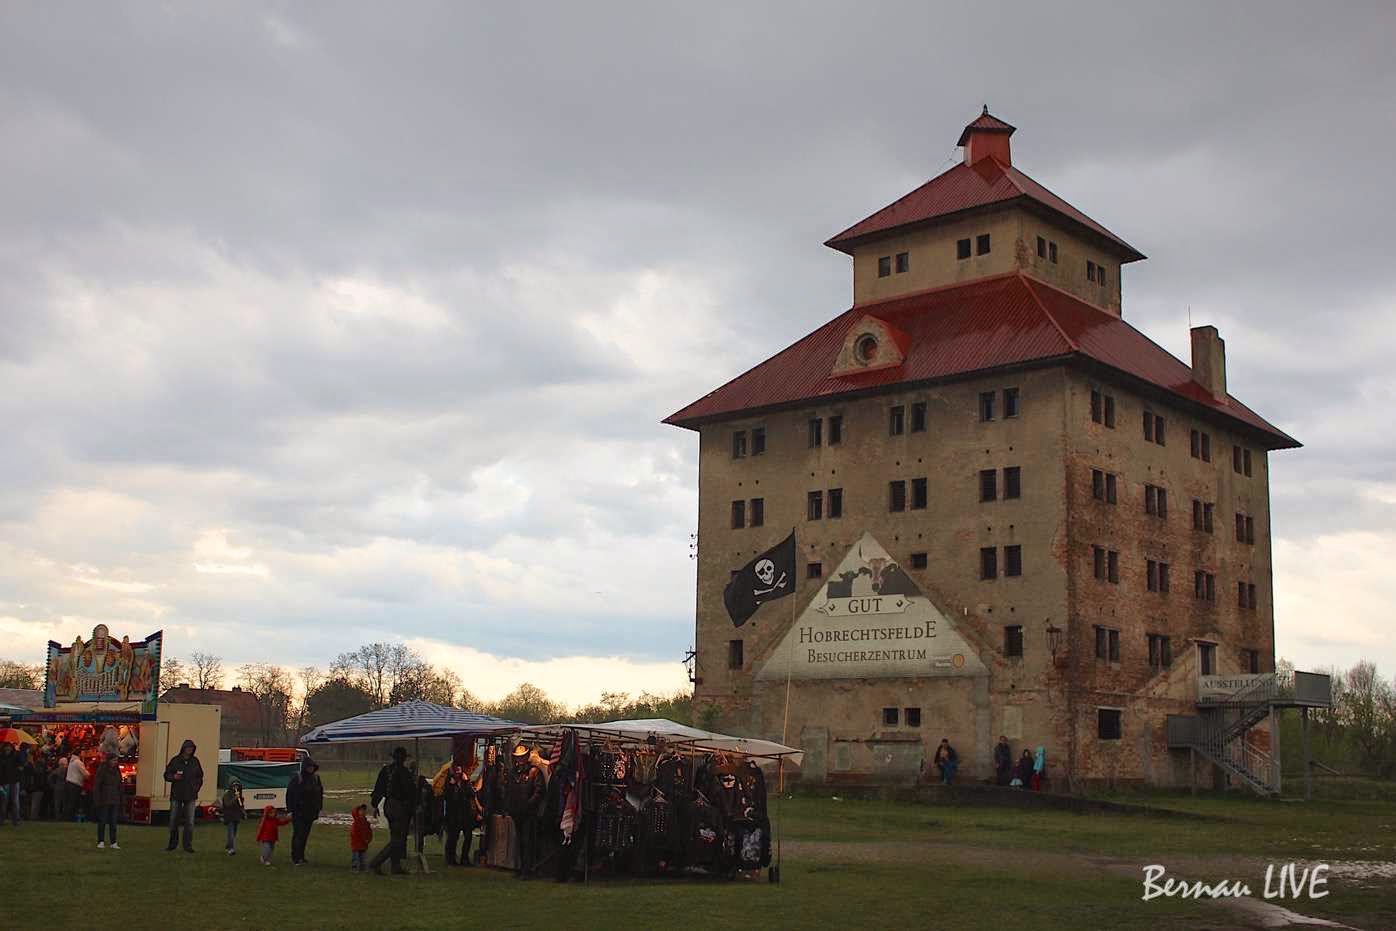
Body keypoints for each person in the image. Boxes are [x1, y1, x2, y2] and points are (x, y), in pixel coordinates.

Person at [368, 747, 415, 875]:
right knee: (398, 840)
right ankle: (375, 863)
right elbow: (409, 792)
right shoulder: (404, 773)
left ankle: (396, 866)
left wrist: (375, 804)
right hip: (399, 806)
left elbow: (378, 789)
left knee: (396, 836)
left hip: (389, 805)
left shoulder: (386, 770)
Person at [505, 743, 545, 880]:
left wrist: (528, 805)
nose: (520, 760)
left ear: (527, 757)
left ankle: (528, 870)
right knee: (520, 842)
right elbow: (509, 791)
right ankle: (521, 868)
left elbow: (539, 792)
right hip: (517, 813)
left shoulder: (534, 771)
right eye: (518, 757)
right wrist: (510, 807)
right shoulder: (512, 773)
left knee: (528, 841)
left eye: (522, 757)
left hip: (529, 814)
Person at [163, 738, 203, 852]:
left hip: (190, 795)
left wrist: (196, 788)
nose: (189, 750)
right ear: (183, 749)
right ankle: (172, 844)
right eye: (188, 748)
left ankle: (188, 845)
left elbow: (200, 776)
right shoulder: (175, 761)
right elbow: (166, 774)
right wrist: (173, 777)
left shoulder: (195, 762)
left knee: (190, 822)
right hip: (177, 795)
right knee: (173, 820)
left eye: (191, 748)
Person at [286, 758, 324, 865]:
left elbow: (320, 794)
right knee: (298, 834)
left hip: (311, 812)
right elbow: (289, 795)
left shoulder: (316, 778)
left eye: (312, 767)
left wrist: (319, 808)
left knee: (305, 835)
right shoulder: (297, 779)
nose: (311, 769)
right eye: (309, 767)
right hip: (298, 812)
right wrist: (290, 810)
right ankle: (295, 857)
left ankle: (301, 856)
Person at [442, 765, 476, 867]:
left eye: (459, 770)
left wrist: (466, 782)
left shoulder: (465, 783)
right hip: (454, 815)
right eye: (455, 771)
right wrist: (452, 786)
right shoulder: (449, 784)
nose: (457, 773)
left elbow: (471, 794)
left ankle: (464, 858)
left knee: (468, 836)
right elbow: (449, 798)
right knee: (453, 837)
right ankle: (450, 859)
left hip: (465, 814)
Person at [93, 753, 122, 849]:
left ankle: (113, 842)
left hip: (114, 798)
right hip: (104, 798)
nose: (115, 762)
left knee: (113, 822)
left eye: (116, 760)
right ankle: (101, 841)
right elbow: (97, 785)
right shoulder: (102, 770)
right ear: (109, 760)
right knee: (103, 821)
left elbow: (120, 784)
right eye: (114, 760)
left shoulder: (117, 770)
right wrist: (97, 799)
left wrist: (120, 796)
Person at [221, 779, 245, 855]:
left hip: (236, 816)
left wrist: (243, 813)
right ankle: (231, 849)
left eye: (237, 786)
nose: (236, 787)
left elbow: (240, 806)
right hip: (229, 816)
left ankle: (228, 846)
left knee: (234, 833)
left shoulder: (239, 795)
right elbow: (228, 804)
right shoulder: (227, 795)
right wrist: (235, 798)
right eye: (234, 786)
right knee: (230, 833)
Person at [64, 752, 89, 821]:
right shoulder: (78, 762)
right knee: (73, 802)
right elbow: (85, 773)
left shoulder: (71, 762)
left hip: (69, 782)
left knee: (70, 801)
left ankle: (67, 817)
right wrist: (89, 773)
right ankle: (70, 817)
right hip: (75, 784)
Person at [0, 742, 20, 826]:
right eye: (6, 748)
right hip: (6, 782)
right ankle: (2, 820)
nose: (8, 749)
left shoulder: (15, 756)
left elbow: (20, 766)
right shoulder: (1, 757)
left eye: (9, 748)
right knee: (5, 802)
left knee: (14, 801)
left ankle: (15, 820)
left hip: (14, 781)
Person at [349, 803, 373, 872]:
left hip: (364, 844)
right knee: (356, 858)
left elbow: (369, 832)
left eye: (364, 810)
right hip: (357, 844)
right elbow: (354, 833)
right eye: (361, 810)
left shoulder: (366, 823)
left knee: (363, 857)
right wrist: (363, 839)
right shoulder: (356, 823)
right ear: (357, 812)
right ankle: (355, 869)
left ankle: (363, 868)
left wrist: (369, 839)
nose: (363, 812)